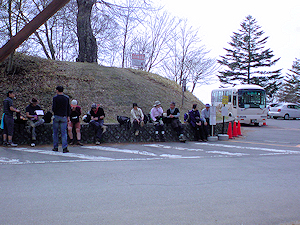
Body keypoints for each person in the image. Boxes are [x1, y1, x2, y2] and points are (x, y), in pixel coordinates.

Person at [52, 86, 70, 153]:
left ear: (57, 90)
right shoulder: (66, 98)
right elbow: (68, 108)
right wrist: (68, 116)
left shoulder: (55, 98)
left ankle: (55, 147)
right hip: (64, 116)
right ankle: (64, 147)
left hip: (57, 116)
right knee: (64, 133)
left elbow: (53, 108)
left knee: (55, 132)